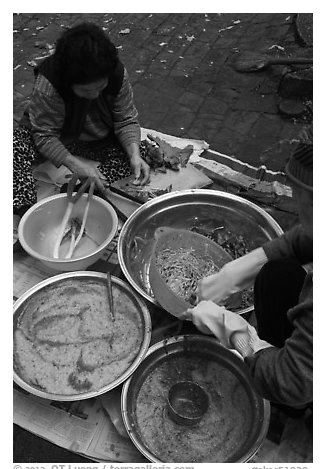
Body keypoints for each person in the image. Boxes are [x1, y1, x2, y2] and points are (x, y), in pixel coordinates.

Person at [182, 129, 313, 416]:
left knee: (289, 388)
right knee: (276, 274)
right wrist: (243, 267)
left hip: (299, 383)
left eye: (303, 200)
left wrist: (235, 331)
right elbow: (309, 235)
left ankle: (298, 409)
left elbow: (291, 381)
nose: (300, 209)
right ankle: (275, 354)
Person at [13, 21, 150, 215]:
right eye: (86, 90)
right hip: (58, 137)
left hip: (95, 140)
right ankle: (28, 211)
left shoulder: (116, 74)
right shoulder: (49, 85)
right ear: (69, 82)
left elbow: (125, 119)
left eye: (100, 87)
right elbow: (44, 134)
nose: (95, 95)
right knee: (12, 148)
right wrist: (75, 164)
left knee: (139, 155)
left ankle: (84, 189)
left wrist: (134, 154)